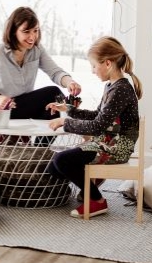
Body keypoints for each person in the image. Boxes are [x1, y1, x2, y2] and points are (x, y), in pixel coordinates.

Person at [45, 36, 143, 219]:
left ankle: (97, 201)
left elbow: (97, 126)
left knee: (62, 161)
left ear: (107, 63)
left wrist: (65, 123)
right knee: (54, 167)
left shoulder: (121, 89)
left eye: (93, 66)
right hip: (105, 142)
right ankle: (91, 181)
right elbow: (98, 116)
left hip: (116, 147)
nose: (92, 71)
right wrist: (70, 110)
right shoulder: (111, 86)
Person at [0, 6, 81, 122]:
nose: (32, 37)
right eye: (26, 31)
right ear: (13, 31)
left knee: (54, 105)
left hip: (20, 105)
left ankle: (40, 141)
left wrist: (70, 82)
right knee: (53, 93)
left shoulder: (37, 50)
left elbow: (55, 72)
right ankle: (80, 125)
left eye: (35, 30)